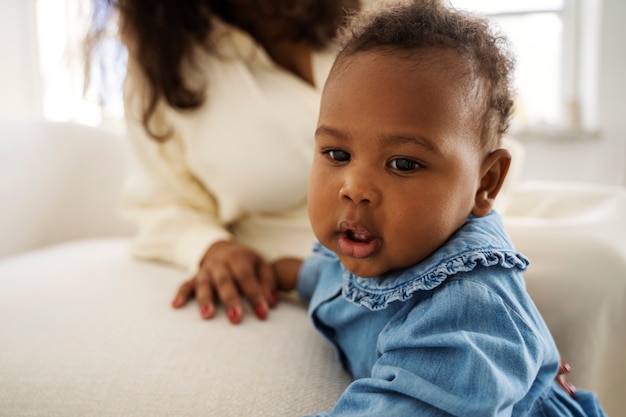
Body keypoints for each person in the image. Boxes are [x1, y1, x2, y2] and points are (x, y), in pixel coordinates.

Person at [270, 0, 608, 415]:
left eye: (404, 164)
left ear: (485, 183)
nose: (353, 188)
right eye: (337, 154)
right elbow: (330, 277)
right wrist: (276, 271)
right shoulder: (376, 243)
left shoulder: (468, 311)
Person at [87, 0, 360, 324]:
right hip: (323, 284)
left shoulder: (384, 9)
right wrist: (212, 248)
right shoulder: (161, 63)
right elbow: (161, 203)